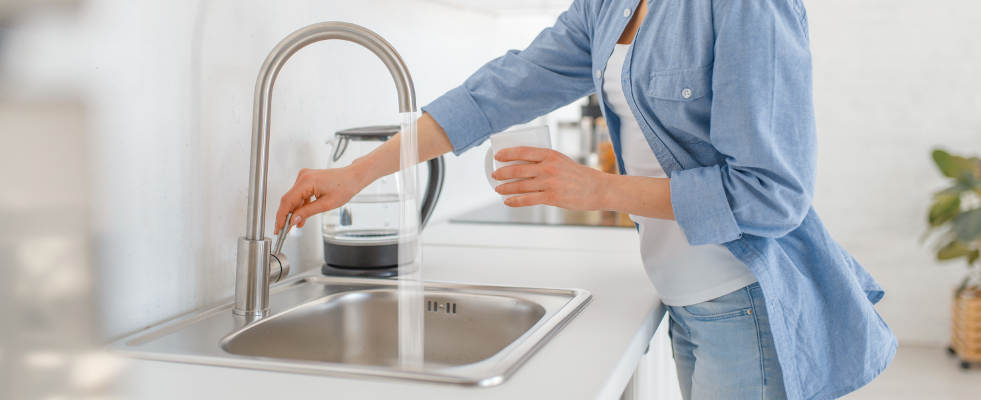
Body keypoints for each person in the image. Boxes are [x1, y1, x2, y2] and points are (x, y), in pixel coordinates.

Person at [275, 0, 896, 398]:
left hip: (743, 301)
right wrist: (360, 173)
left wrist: (595, 188)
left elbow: (773, 195)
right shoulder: (610, 4)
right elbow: (500, 89)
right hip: (681, 294)